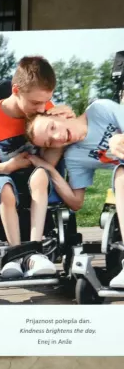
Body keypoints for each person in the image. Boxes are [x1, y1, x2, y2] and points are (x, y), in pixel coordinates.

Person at [0, 56, 75, 280]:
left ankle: (34, 253)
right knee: (5, 187)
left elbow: (51, 156)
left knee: (40, 177)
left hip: (32, 172)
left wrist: (63, 137)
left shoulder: (47, 110)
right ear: (16, 90)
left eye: (45, 102)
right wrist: (7, 166)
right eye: (36, 103)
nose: (41, 108)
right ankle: (15, 255)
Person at [25, 98, 124, 287]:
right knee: (121, 175)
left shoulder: (99, 109)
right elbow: (76, 202)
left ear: (61, 115)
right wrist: (49, 169)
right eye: (50, 141)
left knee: (120, 172)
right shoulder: (75, 156)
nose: (58, 137)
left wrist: (115, 140)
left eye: (53, 127)